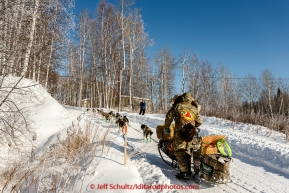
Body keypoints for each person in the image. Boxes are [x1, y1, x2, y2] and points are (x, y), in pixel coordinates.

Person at [163, 92, 202, 180]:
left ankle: (185, 172)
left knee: (179, 151)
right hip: (191, 134)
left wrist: (166, 127)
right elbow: (200, 121)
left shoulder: (177, 106)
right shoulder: (194, 108)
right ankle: (193, 171)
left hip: (180, 133)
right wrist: (192, 126)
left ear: (181, 98)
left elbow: (168, 117)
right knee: (188, 150)